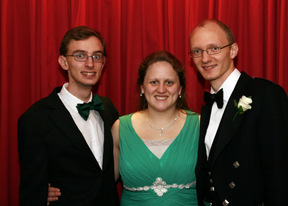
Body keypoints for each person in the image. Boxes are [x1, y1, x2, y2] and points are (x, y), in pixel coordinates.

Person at [47, 51, 200, 205]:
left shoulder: (199, 125)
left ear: (180, 89)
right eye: (154, 82)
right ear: (142, 87)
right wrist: (52, 187)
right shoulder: (120, 128)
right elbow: (99, 180)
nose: (161, 89)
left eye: (169, 82)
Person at [189, 19, 288, 205]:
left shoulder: (266, 95)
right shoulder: (207, 105)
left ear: (233, 50)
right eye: (197, 51)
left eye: (214, 48)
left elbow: (281, 176)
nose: (205, 59)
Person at [18, 26, 119, 205]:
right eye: (80, 56)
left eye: (96, 56)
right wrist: (40, 192)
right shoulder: (35, 119)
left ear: (103, 63)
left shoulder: (108, 108)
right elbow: (31, 191)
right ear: (64, 62)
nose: (90, 64)